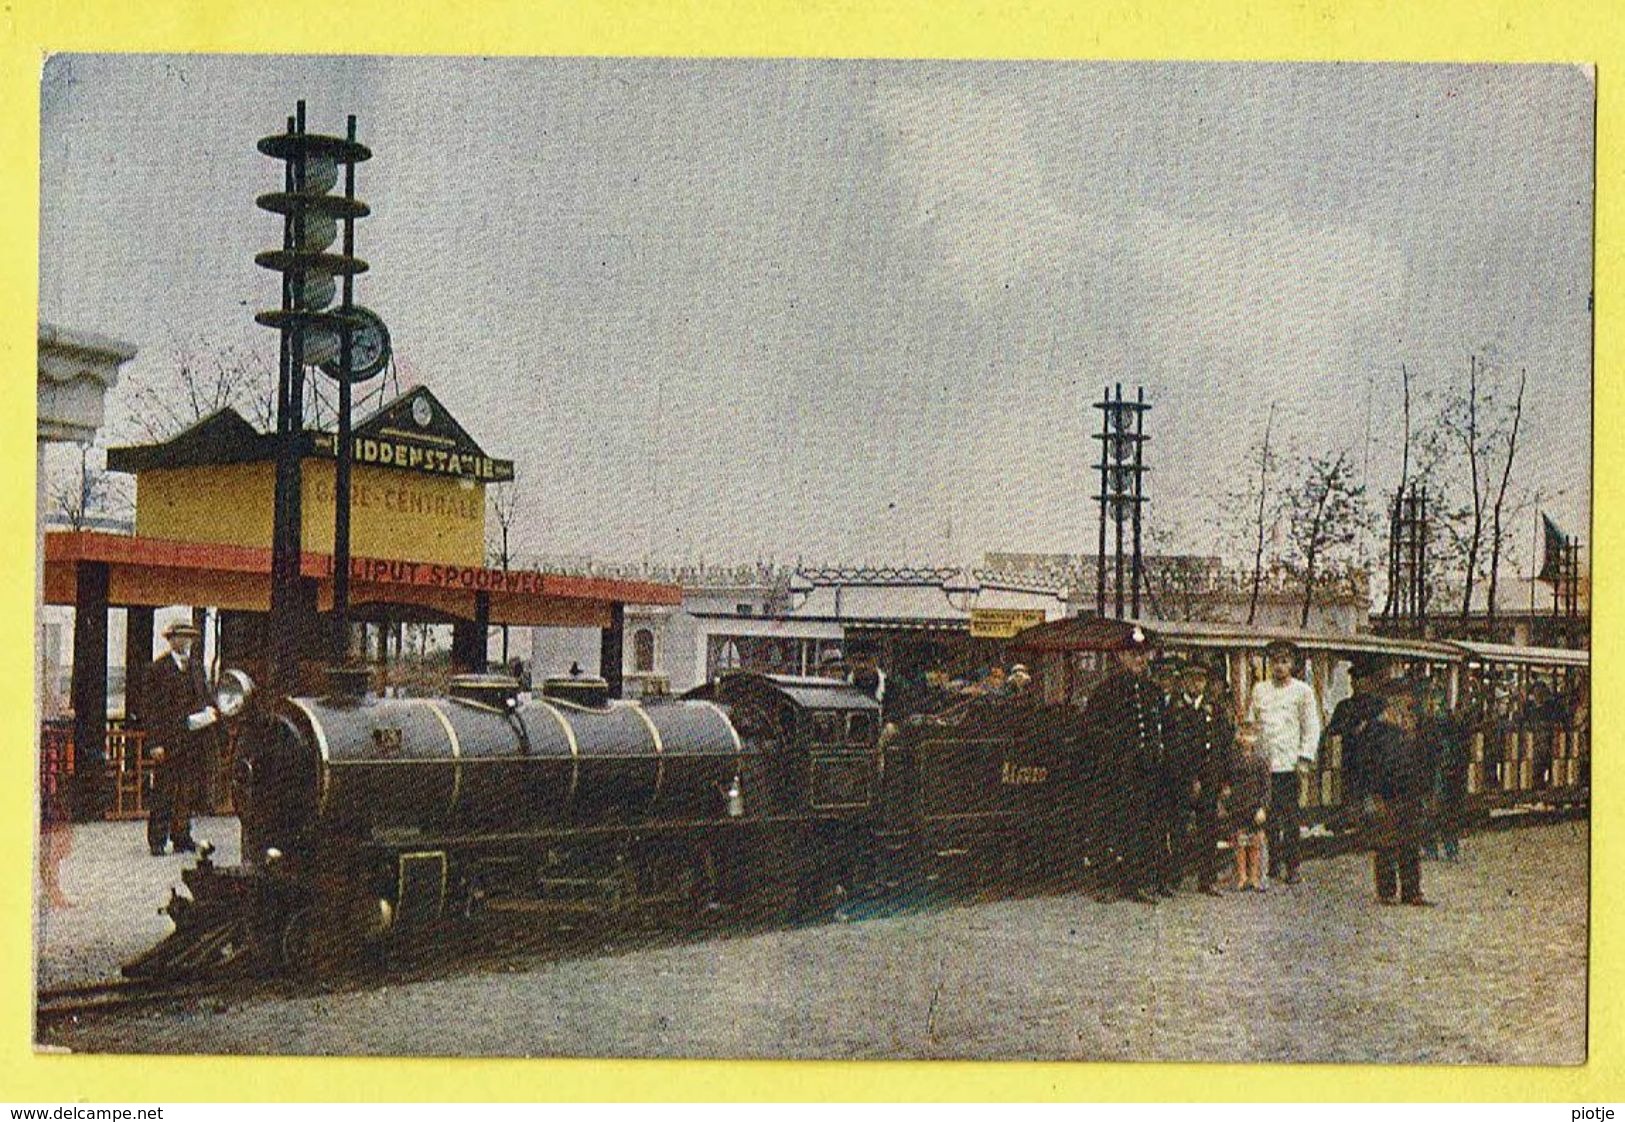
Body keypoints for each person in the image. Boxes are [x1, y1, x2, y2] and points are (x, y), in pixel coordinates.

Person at [1083, 625, 1166, 904]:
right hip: (1116, 771)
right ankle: (1107, 884)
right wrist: (1113, 754)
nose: (1139, 660)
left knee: (1141, 827)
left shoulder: (1153, 691)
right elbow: (1092, 731)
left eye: (1143, 654)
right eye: (1133, 655)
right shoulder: (1106, 691)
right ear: (1121, 657)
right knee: (1112, 828)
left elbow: (1158, 730)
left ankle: (1138, 883)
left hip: (1145, 771)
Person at [1246, 639, 1320, 885]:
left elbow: (1311, 727)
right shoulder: (1260, 690)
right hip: (1263, 766)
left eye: (1284, 661)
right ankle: (1272, 863)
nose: (1279, 666)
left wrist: (1304, 757)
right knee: (1265, 817)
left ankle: (1293, 866)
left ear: (1293, 664)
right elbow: (1251, 722)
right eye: (1276, 661)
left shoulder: (1303, 691)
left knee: (1289, 818)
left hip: (1289, 765)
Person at [1164, 654, 1236, 896]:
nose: (1196, 684)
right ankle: (1174, 878)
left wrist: (1225, 782)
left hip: (1210, 781)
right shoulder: (1173, 709)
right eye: (1191, 679)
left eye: (1201, 679)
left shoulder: (1214, 710)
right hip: (1182, 781)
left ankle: (1207, 879)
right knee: (1179, 830)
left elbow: (1225, 747)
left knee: (1209, 830)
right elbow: (1172, 749)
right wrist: (1187, 779)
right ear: (1183, 681)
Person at [143, 620, 217, 856]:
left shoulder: (197, 668)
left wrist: (210, 713)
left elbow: (204, 697)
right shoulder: (159, 669)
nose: (185, 641)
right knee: (164, 791)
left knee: (187, 791)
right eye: (181, 636)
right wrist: (154, 743)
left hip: (193, 741)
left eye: (189, 637)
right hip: (168, 741)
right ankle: (157, 840)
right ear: (171, 639)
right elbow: (151, 709)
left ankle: (182, 836)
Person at [1358, 683, 1434, 906]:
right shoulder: (1375, 731)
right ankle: (1387, 891)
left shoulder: (1414, 728)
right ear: (1391, 702)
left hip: (1410, 793)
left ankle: (1412, 891)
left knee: (1410, 842)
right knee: (1386, 843)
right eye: (1402, 700)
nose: (1407, 706)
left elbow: (1423, 760)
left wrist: (1424, 791)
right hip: (1386, 793)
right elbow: (1367, 767)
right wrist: (1372, 794)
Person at [1325, 653, 1389, 829]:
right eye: (1354, 679)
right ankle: (1352, 818)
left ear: (1368, 681)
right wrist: (1352, 730)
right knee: (1350, 791)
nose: (1355, 683)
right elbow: (1332, 731)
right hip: (1349, 759)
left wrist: (1367, 727)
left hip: (1374, 760)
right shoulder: (1344, 706)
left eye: (1359, 679)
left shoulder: (1379, 705)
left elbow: (1385, 731)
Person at [1228, 732, 1271, 892]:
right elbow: (1229, 783)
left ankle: (1254, 876)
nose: (1247, 739)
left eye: (1250, 735)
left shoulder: (1260, 761)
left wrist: (1263, 808)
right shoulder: (1234, 760)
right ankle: (1242, 876)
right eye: (1243, 735)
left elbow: (1266, 787)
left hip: (1255, 807)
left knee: (1255, 843)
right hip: (1239, 806)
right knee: (1240, 842)